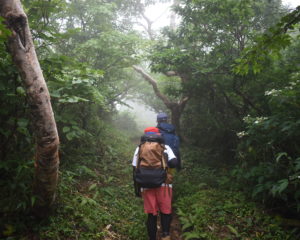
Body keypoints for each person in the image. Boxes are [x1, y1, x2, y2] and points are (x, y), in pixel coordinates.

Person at [132, 127, 178, 240]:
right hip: (164, 185)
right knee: (165, 211)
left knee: (151, 214)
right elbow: (174, 162)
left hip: (146, 184)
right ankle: (166, 234)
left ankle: (152, 238)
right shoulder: (165, 147)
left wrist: (137, 187)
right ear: (158, 135)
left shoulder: (139, 148)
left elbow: (134, 167)